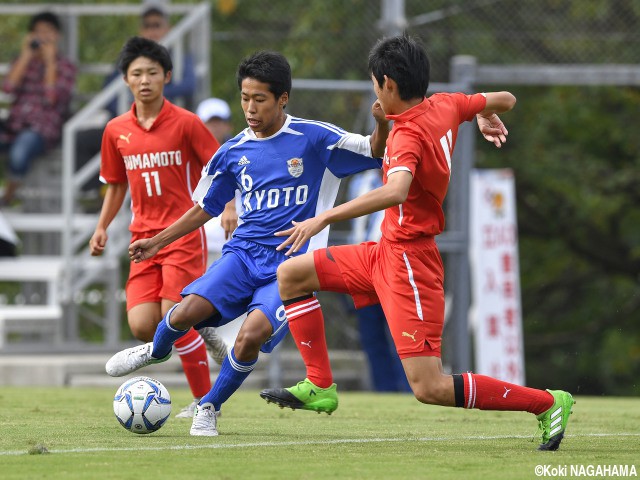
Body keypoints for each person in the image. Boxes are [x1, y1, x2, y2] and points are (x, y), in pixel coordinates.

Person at [259, 34, 575, 452]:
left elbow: (395, 191)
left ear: (388, 83)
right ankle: (319, 385)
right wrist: (483, 115)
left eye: (374, 83)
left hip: (410, 261)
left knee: (430, 386)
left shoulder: (408, 135)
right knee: (293, 274)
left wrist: (324, 217)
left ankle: (548, 402)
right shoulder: (445, 103)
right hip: (382, 252)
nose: (374, 90)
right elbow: (507, 98)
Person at [104, 50, 390, 437]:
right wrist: (157, 242)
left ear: (282, 99)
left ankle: (209, 406)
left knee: (250, 335)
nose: (250, 108)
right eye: (244, 98)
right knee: (185, 311)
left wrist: (382, 125)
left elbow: (373, 150)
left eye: (259, 99)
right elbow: (204, 207)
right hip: (241, 256)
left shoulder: (313, 137)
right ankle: (156, 351)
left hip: (290, 267)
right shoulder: (232, 151)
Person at [89, 36, 230, 420]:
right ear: (125, 80)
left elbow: (221, 167)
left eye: (152, 72)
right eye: (137, 73)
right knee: (141, 327)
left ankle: (207, 405)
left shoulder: (186, 123)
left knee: (174, 317)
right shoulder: (116, 130)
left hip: (183, 236)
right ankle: (202, 328)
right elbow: (116, 183)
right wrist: (102, 227)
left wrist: (229, 205)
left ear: (167, 76)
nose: (145, 79)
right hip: (141, 239)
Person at [0, 11, 76, 205]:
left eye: (47, 32)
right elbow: (8, 88)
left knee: (19, 152)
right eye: (38, 32)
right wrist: (26, 55)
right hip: (13, 125)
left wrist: (50, 62)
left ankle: (7, 197)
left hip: (42, 129)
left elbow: (53, 99)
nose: (42, 37)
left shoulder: (65, 66)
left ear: (57, 35)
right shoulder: (24, 61)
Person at [346, 170, 410, 392]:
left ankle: (409, 389)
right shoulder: (359, 180)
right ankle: (385, 390)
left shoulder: (406, 176)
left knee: (402, 333)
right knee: (370, 334)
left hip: (393, 261)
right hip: (363, 261)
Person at [104, 3, 196, 117]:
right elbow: (108, 92)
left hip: (168, 120)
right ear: (141, 30)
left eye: (156, 25)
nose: (152, 31)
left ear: (168, 28)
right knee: (83, 134)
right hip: (131, 120)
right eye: (147, 26)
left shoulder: (179, 55)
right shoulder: (128, 56)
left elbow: (189, 85)